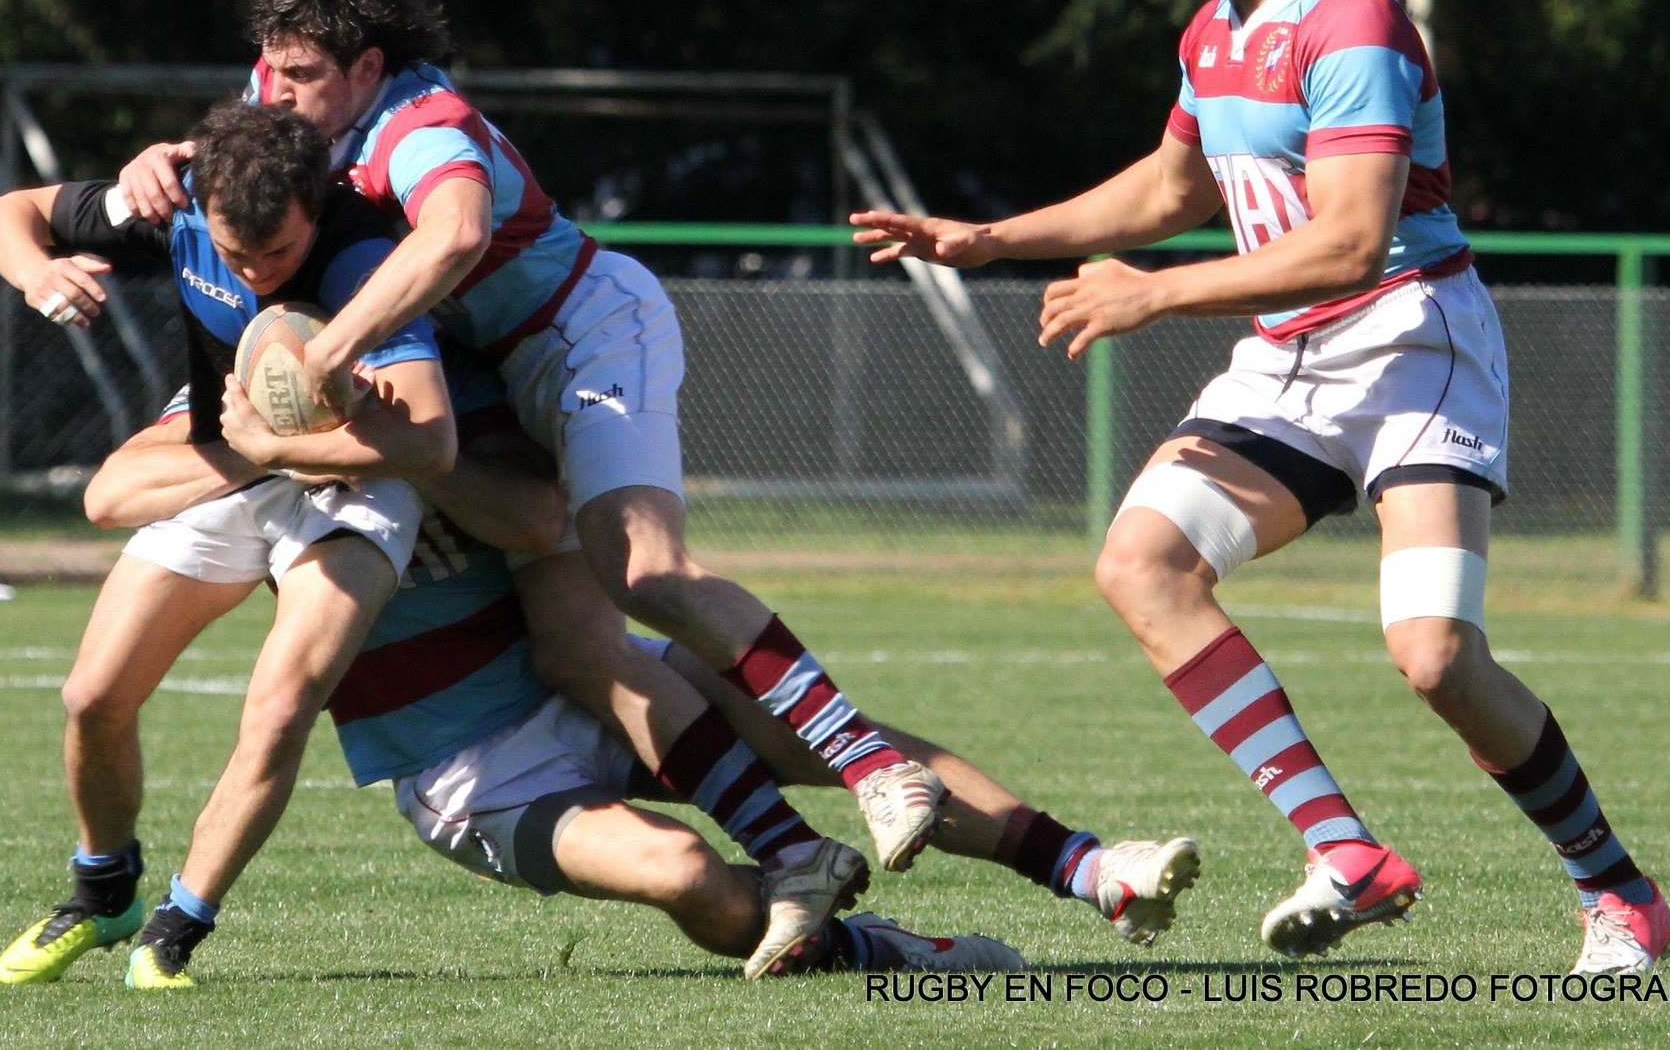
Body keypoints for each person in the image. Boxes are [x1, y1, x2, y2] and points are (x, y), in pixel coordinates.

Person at [850, 0, 1670, 975]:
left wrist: (1150, 293)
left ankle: (1615, 891)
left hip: (1409, 346)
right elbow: (1169, 187)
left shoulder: (1352, 19)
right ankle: (1346, 850)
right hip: (1288, 358)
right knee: (1140, 563)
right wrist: (986, 238)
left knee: (1435, 656)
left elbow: (1349, 243)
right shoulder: (1213, 30)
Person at [113, 0, 949, 972]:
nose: (274, 92)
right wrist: (155, 163)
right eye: (269, 70)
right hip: (507, 370)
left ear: (368, 67)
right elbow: (213, 162)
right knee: (580, 646)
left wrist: (331, 355)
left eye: (301, 74)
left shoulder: (420, 124)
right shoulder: (292, 98)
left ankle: (876, 766)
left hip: (577, 333)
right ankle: (809, 856)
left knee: (645, 571)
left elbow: (456, 232)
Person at [82, 343, 1201, 981]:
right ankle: (874, 948)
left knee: (839, 741)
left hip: (593, 678)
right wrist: (270, 452)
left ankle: (1093, 869)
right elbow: (113, 487)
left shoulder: (435, 392)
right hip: (469, 770)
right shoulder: (258, 376)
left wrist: (402, 452)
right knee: (682, 875)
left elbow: (537, 519)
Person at [0, 101, 457, 987]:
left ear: (315, 206)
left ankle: (175, 928)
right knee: (92, 695)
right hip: (236, 451)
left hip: (354, 475)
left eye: (277, 252)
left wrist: (286, 447)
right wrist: (38, 273)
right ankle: (104, 886)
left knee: (280, 706)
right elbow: (5, 212)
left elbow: (430, 442)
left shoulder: (361, 258)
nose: (255, 271)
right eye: (235, 255)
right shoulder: (178, 199)